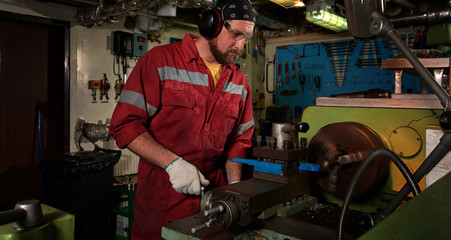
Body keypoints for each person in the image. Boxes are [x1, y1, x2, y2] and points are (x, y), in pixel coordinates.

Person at [109, 0, 255, 239]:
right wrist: (172, 164)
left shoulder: (239, 83)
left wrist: (235, 187)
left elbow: (239, 141)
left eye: (246, 38)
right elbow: (124, 124)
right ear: (212, 25)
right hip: (161, 203)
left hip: (213, 203)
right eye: (236, 34)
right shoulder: (159, 62)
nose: (240, 46)